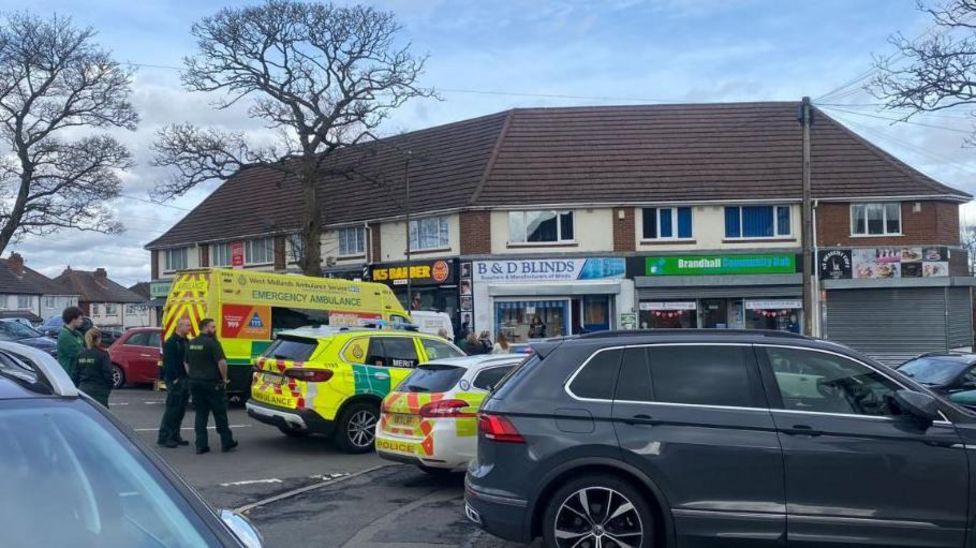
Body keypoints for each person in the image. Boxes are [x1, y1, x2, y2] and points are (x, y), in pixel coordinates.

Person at [187, 318, 237, 454]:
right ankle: (227, 442)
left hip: (195, 383)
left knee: (201, 414)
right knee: (220, 413)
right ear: (205, 328)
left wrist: (192, 375)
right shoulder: (212, 343)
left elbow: (186, 363)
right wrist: (225, 379)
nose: (215, 330)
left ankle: (201, 445)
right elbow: (222, 362)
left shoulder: (192, 343)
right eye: (212, 327)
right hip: (212, 384)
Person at [158, 317, 192, 448]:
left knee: (180, 409)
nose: (189, 328)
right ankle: (164, 436)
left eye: (189, 325)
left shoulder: (186, 341)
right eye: (187, 326)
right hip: (176, 380)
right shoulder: (171, 342)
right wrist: (174, 378)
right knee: (172, 409)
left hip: (185, 379)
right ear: (179, 326)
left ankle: (175, 435)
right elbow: (168, 363)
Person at [71, 329, 113, 407]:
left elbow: (75, 374)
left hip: (83, 389)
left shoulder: (80, 355)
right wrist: (109, 387)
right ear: (98, 339)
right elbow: (108, 374)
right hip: (99, 390)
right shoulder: (102, 355)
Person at [56, 306, 85, 379]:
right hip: (68, 376)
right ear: (73, 319)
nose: (82, 321)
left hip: (77, 374)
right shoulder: (64, 336)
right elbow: (80, 353)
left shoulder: (77, 333)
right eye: (80, 318)